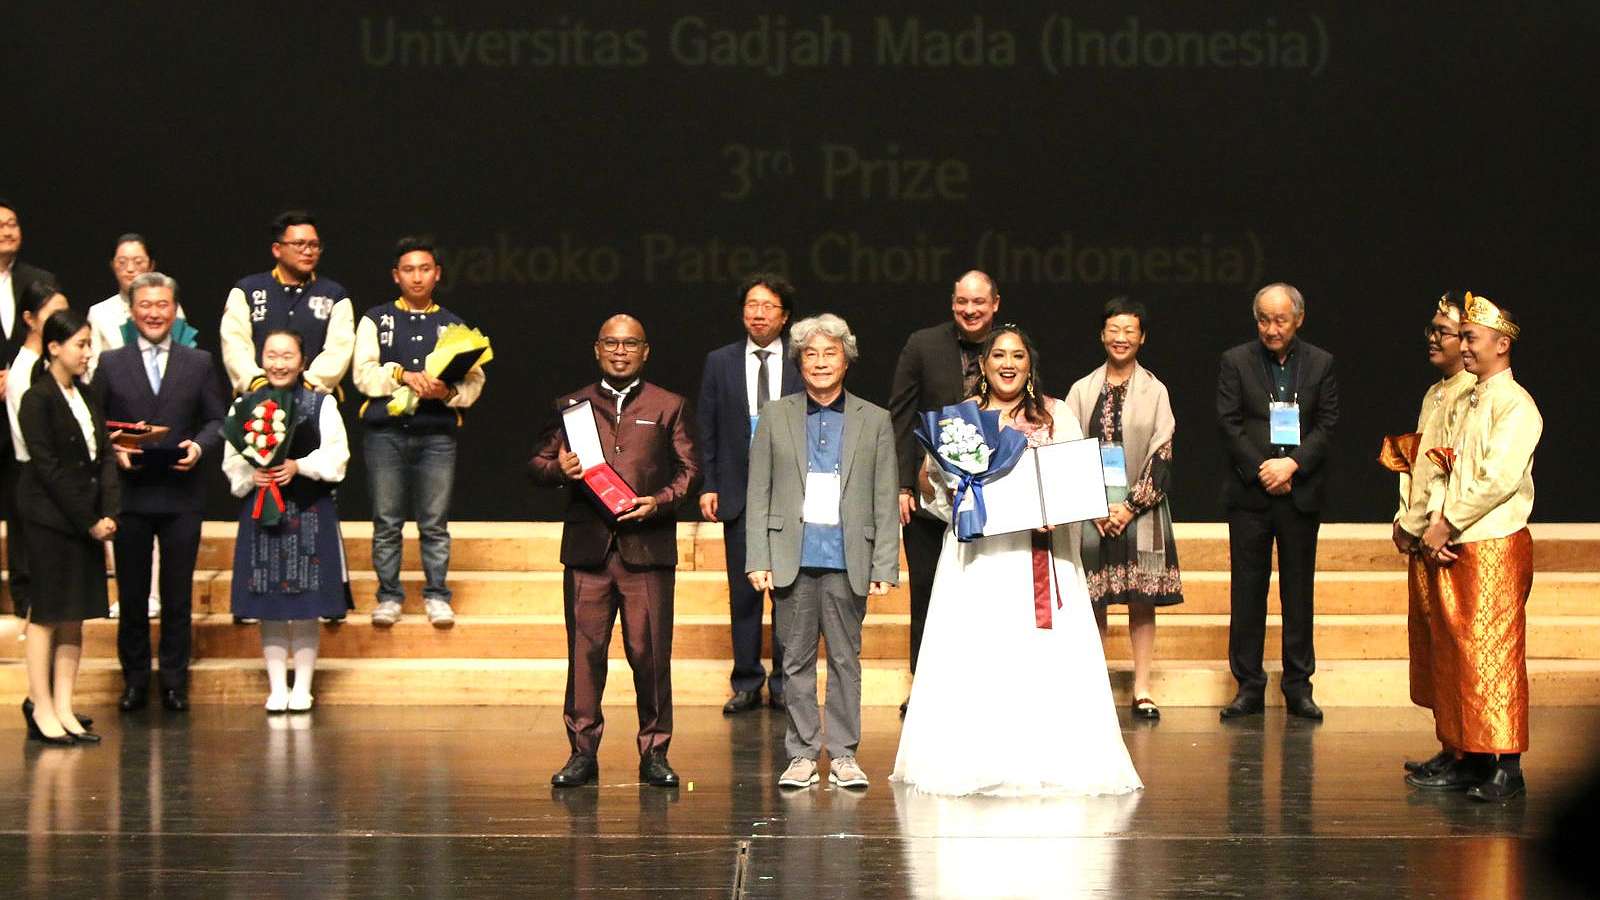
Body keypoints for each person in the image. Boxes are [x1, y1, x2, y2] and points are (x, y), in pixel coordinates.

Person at [892, 324, 1142, 797]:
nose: (1008, 363)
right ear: (982, 365)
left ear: (1030, 367)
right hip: (979, 560)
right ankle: (975, 759)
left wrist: (1058, 511)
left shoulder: (1055, 415)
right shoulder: (960, 420)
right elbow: (938, 495)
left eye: (1018, 357)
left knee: (1039, 656)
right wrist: (943, 485)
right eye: (999, 355)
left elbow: (1074, 482)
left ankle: (1045, 758)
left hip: (1038, 557)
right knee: (979, 654)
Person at [528, 315, 699, 788]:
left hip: (647, 549)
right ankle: (582, 753)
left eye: (630, 343)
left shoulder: (670, 405)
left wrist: (658, 502)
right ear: (596, 348)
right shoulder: (572, 405)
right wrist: (559, 468)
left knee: (650, 656)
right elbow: (536, 464)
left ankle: (655, 752)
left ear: (646, 351)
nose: (620, 351)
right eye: (611, 342)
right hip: (588, 551)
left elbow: (690, 472)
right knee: (584, 655)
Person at [746, 313, 899, 791]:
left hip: (848, 557)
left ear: (846, 359)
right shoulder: (775, 415)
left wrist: (885, 565)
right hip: (791, 553)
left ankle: (846, 754)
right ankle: (802, 755)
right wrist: (758, 557)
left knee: (845, 660)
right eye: (809, 354)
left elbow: (883, 494)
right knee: (793, 660)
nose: (819, 362)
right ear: (798, 361)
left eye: (829, 352)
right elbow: (759, 491)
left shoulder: (874, 419)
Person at [1412, 294, 1541, 802]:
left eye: (1470, 338)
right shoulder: (1466, 400)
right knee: (1458, 652)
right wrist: (1438, 522)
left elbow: (1498, 480)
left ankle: (1507, 766)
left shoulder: (1516, 404)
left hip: (1494, 542)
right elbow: (1443, 463)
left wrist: (1452, 523)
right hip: (1460, 539)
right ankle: (1468, 754)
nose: (1462, 346)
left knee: (1494, 652)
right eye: (1460, 337)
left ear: (1501, 344)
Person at [93, 272, 226, 713]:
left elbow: (216, 421)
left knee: (176, 596)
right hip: (130, 496)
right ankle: (133, 681)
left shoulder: (199, 362)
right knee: (131, 596)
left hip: (181, 496)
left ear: (175, 309)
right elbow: (94, 426)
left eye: (162, 305)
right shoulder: (111, 363)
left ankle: (173, 682)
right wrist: (114, 450)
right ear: (132, 310)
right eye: (145, 305)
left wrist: (198, 446)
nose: (154, 312)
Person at [1216, 282, 1339, 721]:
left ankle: (1297, 686)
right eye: (1264, 320)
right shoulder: (1236, 361)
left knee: (1297, 591)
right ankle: (1248, 685)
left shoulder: (1321, 363)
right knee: (1247, 591)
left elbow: (1327, 424)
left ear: (1298, 320)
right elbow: (1229, 423)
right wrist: (1264, 468)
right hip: (1251, 493)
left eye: (1280, 320)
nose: (1271, 329)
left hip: (1299, 492)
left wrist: (1292, 466)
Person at [353, 237, 486, 628]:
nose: (417, 277)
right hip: (385, 434)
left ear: (437, 274)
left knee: (434, 521)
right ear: (396, 276)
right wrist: (400, 375)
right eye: (408, 270)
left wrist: (449, 392)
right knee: (387, 520)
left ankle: (437, 594)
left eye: (424, 269)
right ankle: (389, 595)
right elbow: (362, 373)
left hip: (436, 435)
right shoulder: (376, 319)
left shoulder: (453, 325)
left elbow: (476, 382)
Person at [1066, 298, 1184, 720]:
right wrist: (1094, 504)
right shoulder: (1081, 389)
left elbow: (1163, 451)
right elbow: (1068, 449)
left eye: (1129, 331)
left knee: (1141, 600)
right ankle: (1095, 685)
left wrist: (1130, 506)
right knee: (1094, 598)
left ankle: (1142, 688)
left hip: (1143, 509)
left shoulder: (1156, 390)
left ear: (1142, 337)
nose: (1121, 338)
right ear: (1102, 335)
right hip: (1092, 510)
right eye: (1113, 330)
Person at [888, 269, 1000, 715]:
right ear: (952, 303)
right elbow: (901, 414)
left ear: (995, 304)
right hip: (928, 496)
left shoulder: (1011, 348)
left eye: (978, 302)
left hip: (992, 496)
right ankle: (924, 685)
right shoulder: (923, 344)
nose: (969, 310)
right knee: (928, 589)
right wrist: (900, 483)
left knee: (988, 590)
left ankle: (984, 683)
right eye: (961, 302)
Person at [223, 330, 351, 713]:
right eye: (272, 355)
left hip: (309, 509)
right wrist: (251, 476)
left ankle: (304, 687)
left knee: (307, 601)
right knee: (269, 600)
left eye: (287, 355)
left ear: (302, 360)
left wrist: (299, 465)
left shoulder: (320, 404)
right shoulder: (244, 405)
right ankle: (277, 687)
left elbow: (338, 456)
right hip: (263, 510)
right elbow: (232, 460)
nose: (279, 363)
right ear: (261, 359)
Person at [696, 273, 803, 714]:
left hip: (790, 495)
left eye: (768, 306)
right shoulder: (720, 361)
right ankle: (745, 680)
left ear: (785, 316)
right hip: (738, 492)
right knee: (743, 592)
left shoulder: (802, 361)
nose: (758, 314)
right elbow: (708, 426)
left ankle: (782, 682)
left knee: (787, 593)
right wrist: (710, 483)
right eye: (751, 305)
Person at [16, 308, 119, 745]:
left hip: (88, 518)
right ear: (54, 347)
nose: (86, 352)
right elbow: (49, 468)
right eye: (79, 344)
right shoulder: (37, 399)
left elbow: (105, 456)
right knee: (48, 614)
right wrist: (89, 520)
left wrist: (109, 511)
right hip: (50, 520)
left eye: (89, 343)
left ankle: (63, 704)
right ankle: (40, 706)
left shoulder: (88, 395)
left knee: (75, 614)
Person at [1391, 293, 1476, 780]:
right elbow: (1417, 464)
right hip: (1423, 534)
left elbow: (1455, 471)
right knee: (1430, 641)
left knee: (1454, 642)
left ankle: (1469, 750)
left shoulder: (1471, 393)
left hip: (1447, 539)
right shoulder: (1435, 393)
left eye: (1444, 331)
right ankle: (1449, 742)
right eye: (1434, 329)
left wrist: (1439, 523)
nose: (1434, 338)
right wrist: (1405, 517)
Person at [219, 210, 354, 396]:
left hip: (313, 398)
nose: (308, 251)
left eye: (314, 245)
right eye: (299, 244)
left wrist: (309, 384)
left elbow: (339, 349)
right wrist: (256, 382)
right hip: (257, 398)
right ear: (277, 249)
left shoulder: (334, 294)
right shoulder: (248, 290)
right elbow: (235, 343)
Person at [0, 197, 56, 619]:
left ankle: (26, 594)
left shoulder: (39, 281)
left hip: (26, 408)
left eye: (13, 224)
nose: (7, 231)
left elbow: (54, 335)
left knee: (23, 506)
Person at [86, 233, 191, 380]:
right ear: (112, 265)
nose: (130, 269)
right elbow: (91, 367)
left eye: (138, 262)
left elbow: (185, 356)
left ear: (151, 265)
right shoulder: (99, 313)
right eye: (122, 262)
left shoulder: (169, 307)